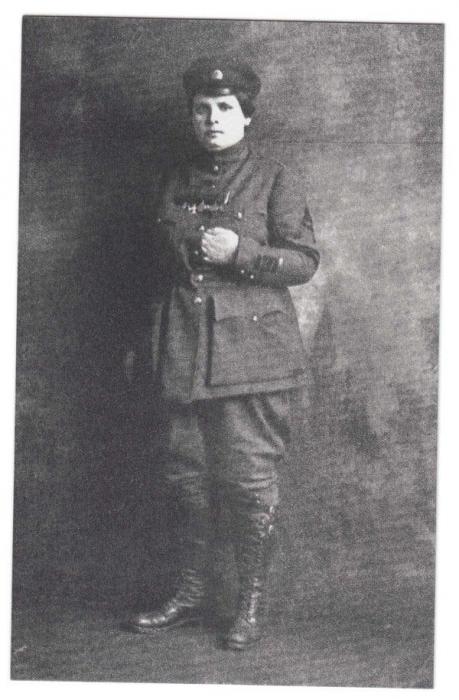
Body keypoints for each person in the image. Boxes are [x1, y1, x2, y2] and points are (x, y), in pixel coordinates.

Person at [125, 56, 320, 650]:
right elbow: (156, 268)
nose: (212, 119)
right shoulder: (173, 178)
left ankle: (247, 603)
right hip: (180, 351)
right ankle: (191, 593)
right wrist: (146, 341)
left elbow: (304, 262)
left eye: (225, 108)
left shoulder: (274, 177)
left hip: (250, 358)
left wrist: (241, 253)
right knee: (185, 478)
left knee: (248, 482)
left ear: (246, 115)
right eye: (201, 109)